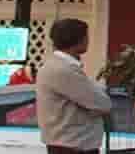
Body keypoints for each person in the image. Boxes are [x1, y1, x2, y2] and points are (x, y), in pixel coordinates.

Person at [37, 18, 112, 154]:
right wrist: (92, 108)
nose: (88, 41)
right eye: (86, 36)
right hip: (72, 146)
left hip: (69, 145)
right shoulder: (63, 69)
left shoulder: (57, 66)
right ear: (77, 39)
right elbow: (103, 104)